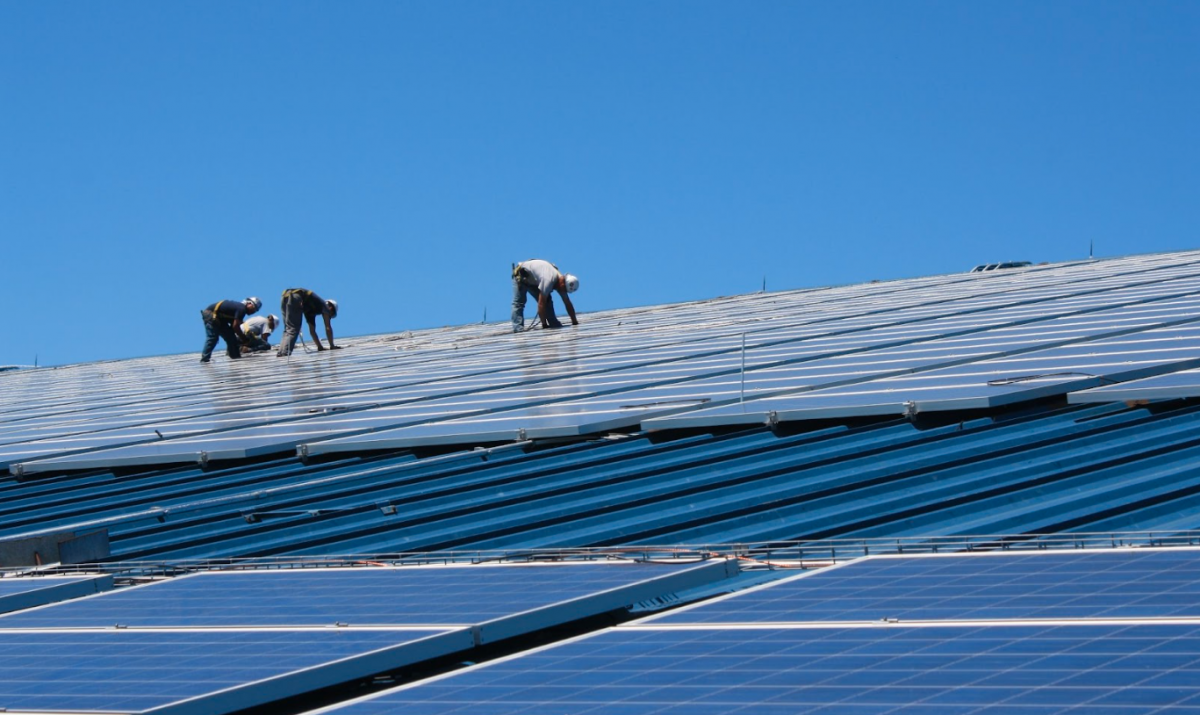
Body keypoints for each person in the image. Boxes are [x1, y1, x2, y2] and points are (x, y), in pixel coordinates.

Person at [511, 259, 579, 333]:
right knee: (519, 303)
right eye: (563, 289)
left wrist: (574, 322)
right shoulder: (548, 280)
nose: (563, 291)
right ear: (562, 283)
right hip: (522, 275)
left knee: (548, 301)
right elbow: (541, 304)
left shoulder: (562, 284)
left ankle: (554, 324)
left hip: (534, 280)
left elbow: (567, 303)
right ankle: (518, 329)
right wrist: (544, 324)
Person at [276, 288, 340, 357]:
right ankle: (285, 353)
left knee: (288, 328)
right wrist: (332, 346)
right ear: (331, 308)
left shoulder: (310, 311)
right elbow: (328, 327)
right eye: (331, 314)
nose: (329, 316)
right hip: (295, 297)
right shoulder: (324, 306)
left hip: (285, 296)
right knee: (293, 329)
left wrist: (319, 347)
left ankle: (281, 353)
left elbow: (312, 331)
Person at [200, 297, 262, 362]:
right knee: (213, 337)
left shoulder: (238, 310)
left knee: (231, 338)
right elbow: (235, 327)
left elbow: (233, 327)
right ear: (249, 303)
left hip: (220, 319)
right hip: (211, 315)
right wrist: (244, 339)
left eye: (256, 310)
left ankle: (235, 357)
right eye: (254, 308)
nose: (253, 311)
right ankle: (205, 359)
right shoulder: (241, 308)